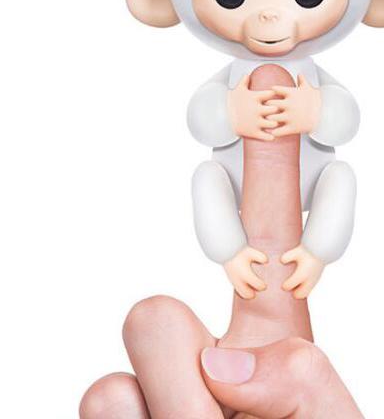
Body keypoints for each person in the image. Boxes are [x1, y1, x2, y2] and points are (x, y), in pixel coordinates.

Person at [79, 65, 363, 418]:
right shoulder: (228, 83)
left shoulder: (315, 82)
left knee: (155, 329)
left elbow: (346, 119)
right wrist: (228, 111)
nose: (268, 29)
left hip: (292, 225)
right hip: (249, 220)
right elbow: (202, 118)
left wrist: (318, 110)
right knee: (154, 327)